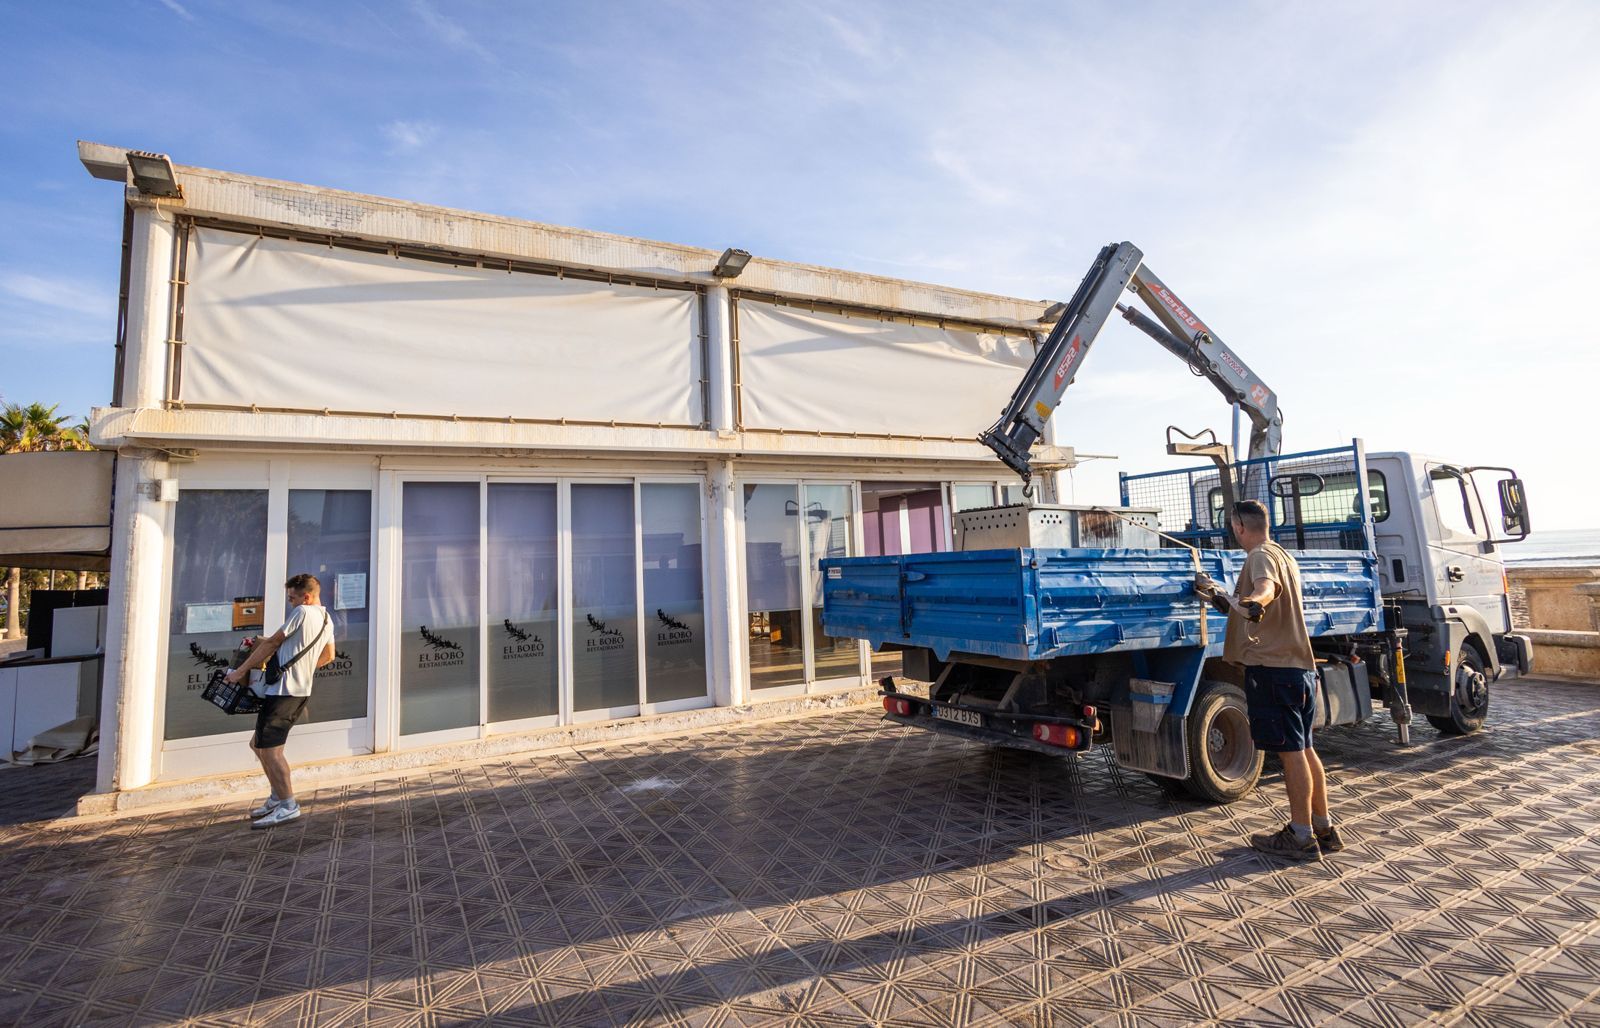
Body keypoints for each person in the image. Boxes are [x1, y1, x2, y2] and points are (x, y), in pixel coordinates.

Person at [1222, 500, 1344, 861]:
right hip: (1299, 669)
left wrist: (1257, 600)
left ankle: (1300, 836)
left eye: (1233, 528)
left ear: (1239, 527)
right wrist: (1222, 596)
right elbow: (1255, 598)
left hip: (1273, 670)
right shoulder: (1283, 554)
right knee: (1305, 750)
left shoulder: (1260, 556)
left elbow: (1265, 589)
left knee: (1291, 754)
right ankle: (1323, 828)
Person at [225, 573, 335, 828]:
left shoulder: (304, 612)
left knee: (271, 752)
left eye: (292, 598)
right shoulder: (327, 619)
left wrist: (240, 672)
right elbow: (329, 655)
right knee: (258, 744)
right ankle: (277, 796)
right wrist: (303, 671)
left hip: (284, 691)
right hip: (298, 690)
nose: (291, 603)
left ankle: (288, 805)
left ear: (306, 597)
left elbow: (274, 642)